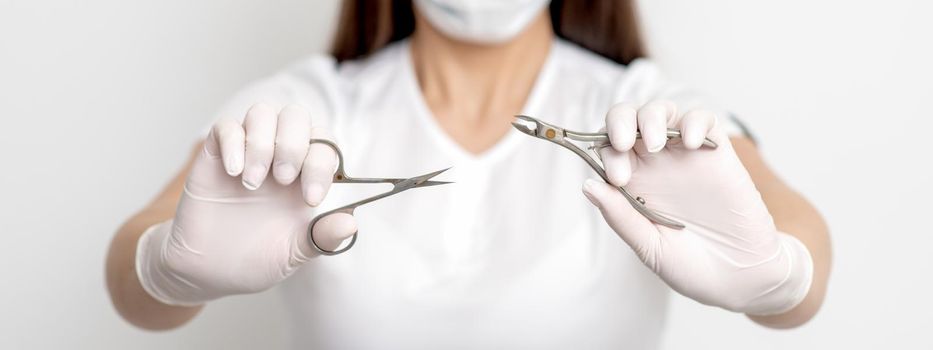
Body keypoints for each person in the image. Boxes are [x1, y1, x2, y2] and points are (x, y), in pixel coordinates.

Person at [106, 0, 831, 348]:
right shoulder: (312, 106)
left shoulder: (638, 108)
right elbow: (134, 277)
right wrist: (164, 272)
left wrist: (782, 277)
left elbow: (799, 237)